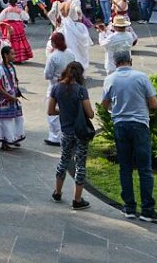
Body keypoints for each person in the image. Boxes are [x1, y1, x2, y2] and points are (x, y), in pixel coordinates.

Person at [101, 50, 157, 222]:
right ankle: (147, 209)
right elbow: (154, 103)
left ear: (115, 62)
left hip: (120, 125)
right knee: (144, 168)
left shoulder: (110, 79)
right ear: (130, 60)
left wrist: (116, 110)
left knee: (125, 167)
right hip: (139, 125)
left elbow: (104, 105)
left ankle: (129, 207)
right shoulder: (141, 77)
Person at [48, 61, 94, 210]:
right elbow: (90, 114)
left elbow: (50, 111)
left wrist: (64, 111)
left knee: (63, 160)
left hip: (66, 131)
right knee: (80, 165)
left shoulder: (56, 88)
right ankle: (77, 199)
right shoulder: (81, 90)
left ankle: (57, 192)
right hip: (80, 133)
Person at [43, 31, 75, 147]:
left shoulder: (53, 56)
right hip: (69, 84)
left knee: (53, 111)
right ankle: (67, 133)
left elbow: (47, 74)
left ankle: (56, 136)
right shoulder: (70, 53)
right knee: (67, 109)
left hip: (56, 85)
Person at [0, 45, 24, 151]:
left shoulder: (11, 67)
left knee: (16, 119)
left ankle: (12, 138)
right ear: (5, 55)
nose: (14, 56)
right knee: (5, 121)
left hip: (11, 99)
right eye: (12, 54)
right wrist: (9, 96)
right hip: (3, 100)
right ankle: (6, 141)